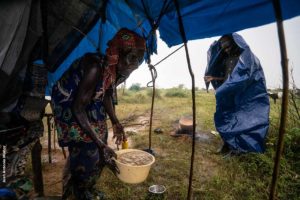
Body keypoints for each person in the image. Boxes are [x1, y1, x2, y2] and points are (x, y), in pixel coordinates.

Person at [51, 28, 146, 199]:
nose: (134, 65)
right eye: (131, 57)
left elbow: (107, 93)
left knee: (102, 135)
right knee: (88, 146)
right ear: (117, 53)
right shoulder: (95, 67)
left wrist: (116, 122)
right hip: (70, 102)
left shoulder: (113, 69)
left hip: (89, 99)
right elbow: (78, 109)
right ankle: (77, 190)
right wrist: (100, 145)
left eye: (139, 60)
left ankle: (88, 186)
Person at [204, 33, 270, 154]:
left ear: (234, 43)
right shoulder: (226, 59)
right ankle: (227, 144)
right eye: (223, 47)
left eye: (228, 46)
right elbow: (226, 78)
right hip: (228, 95)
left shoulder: (244, 58)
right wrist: (213, 78)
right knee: (226, 118)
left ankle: (241, 147)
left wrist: (229, 87)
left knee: (240, 119)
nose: (226, 49)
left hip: (241, 95)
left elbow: (246, 76)